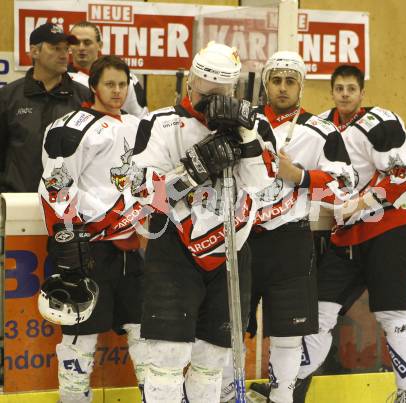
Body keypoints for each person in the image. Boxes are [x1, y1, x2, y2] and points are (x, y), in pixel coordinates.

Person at [130, 41, 278, 403]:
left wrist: (245, 137)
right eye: (206, 94)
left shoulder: (255, 124)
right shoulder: (160, 123)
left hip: (232, 247)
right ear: (189, 85)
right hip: (175, 248)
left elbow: (264, 182)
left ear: (235, 90)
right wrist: (189, 173)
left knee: (213, 359)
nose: (213, 104)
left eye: (222, 95)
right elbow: (139, 189)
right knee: (166, 358)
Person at [220, 52, 354, 403]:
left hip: (290, 242)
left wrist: (302, 176)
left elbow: (345, 185)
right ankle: (221, 396)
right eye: (276, 80)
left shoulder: (320, 131)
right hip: (240, 239)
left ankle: (281, 398)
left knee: (288, 335)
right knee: (225, 328)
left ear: (301, 86)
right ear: (265, 84)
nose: (282, 87)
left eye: (290, 81)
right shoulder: (239, 124)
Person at [294, 65, 406, 403]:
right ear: (332, 92)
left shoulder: (380, 122)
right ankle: (291, 388)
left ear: (362, 93)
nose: (346, 94)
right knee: (317, 315)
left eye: (352, 88)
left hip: (388, 233)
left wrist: (364, 201)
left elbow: (403, 174)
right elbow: (304, 175)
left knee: (393, 317)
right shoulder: (318, 127)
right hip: (344, 239)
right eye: (340, 88)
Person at [38, 55, 148, 403]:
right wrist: (66, 241)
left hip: (133, 251)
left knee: (146, 338)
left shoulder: (138, 125)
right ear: (94, 86)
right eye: (109, 84)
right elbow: (56, 185)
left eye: (122, 84)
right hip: (90, 251)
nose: (117, 91)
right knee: (79, 341)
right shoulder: (71, 127)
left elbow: (153, 179)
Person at [0, 22, 90, 192]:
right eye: (56, 48)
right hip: (17, 202)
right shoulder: (8, 97)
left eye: (66, 49)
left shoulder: (83, 98)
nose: (64, 55)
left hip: (68, 204)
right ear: (34, 51)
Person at [68, 20, 148, 118]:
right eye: (76, 42)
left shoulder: (124, 77)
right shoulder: (60, 78)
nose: (81, 47)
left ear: (100, 45)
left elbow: (140, 118)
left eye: (87, 42)